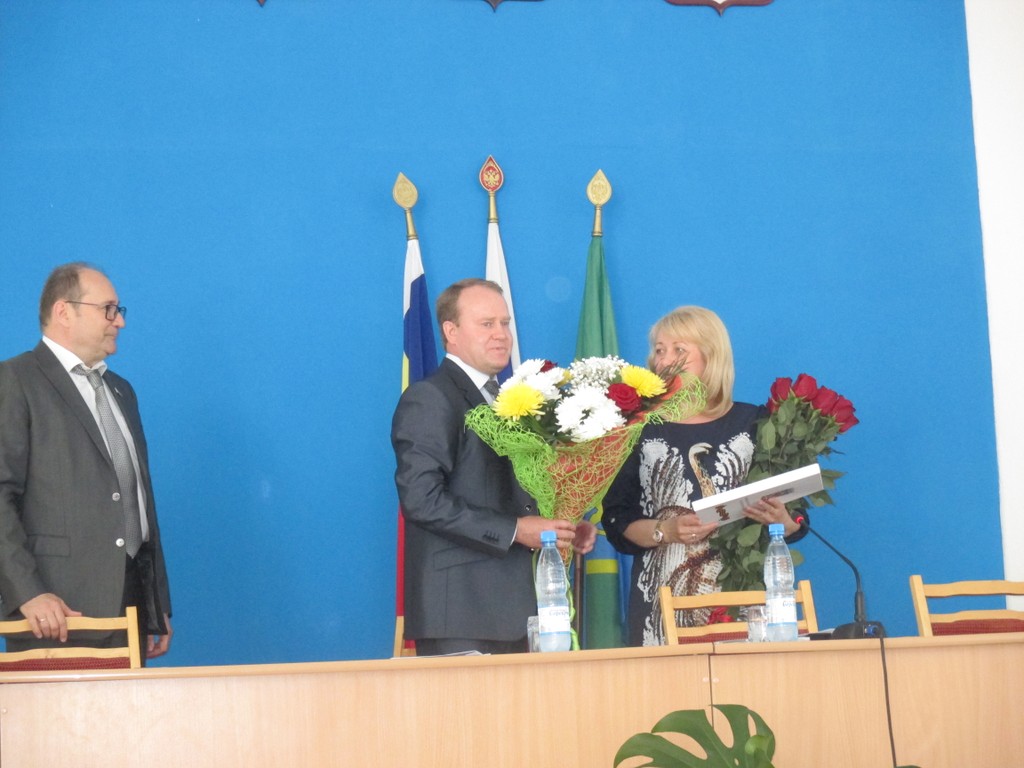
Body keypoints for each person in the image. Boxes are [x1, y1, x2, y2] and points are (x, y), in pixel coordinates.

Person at [391, 278, 595, 655]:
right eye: (487, 324)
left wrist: (561, 526)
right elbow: (421, 500)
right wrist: (517, 530)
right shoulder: (431, 398)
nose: (501, 334)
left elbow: (513, 493)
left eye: (505, 323)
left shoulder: (509, 400)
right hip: (463, 614)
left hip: (525, 612)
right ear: (451, 331)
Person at [603, 305, 805, 646]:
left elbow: (796, 517)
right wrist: (665, 530)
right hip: (661, 605)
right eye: (659, 350)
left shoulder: (755, 422)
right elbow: (617, 520)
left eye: (679, 350)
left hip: (743, 600)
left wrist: (783, 521)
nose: (665, 360)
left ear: (711, 358)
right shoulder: (637, 428)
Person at [0, 262, 172, 661]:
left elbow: (139, 500)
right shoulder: (15, 381)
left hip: (131, 607)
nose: (119, 321)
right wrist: (27, 592)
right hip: (56, 613)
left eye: (118, 310)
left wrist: (156, 602)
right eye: (108, 309)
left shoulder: (121, 391)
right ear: (64, 311)